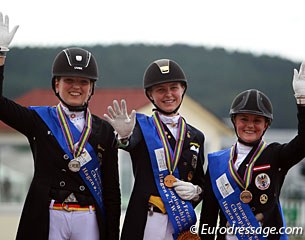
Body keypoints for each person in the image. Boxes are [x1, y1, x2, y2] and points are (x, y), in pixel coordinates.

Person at [0, 13, 120, 240]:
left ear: (92, 88)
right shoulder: (38, 120)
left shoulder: (104, 130)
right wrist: (0, 56)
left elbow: (112, 191)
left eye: (83, 82)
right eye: (69, 81)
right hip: (49, 216)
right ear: (57, 84)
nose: (76, 87)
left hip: (89, 218)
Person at [199, 64, 305, 240]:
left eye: (257, 120)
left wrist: (302, 102)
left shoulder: (276, 155)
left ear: (266, 125)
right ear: (234, 121)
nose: (250, 125)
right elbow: (208, 217)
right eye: (244, 119)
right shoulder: (218, 162)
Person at [104, 59, 205, 240]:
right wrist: (124, 137)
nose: (168, 94)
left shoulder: (196, 136)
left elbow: (201, 181)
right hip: (146, 220)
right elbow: (129, 142)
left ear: (183, 89)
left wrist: (197, 191)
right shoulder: (141, 126)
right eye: (160, 90)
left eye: (173, 88)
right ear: (150, 94)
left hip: (180, 223)